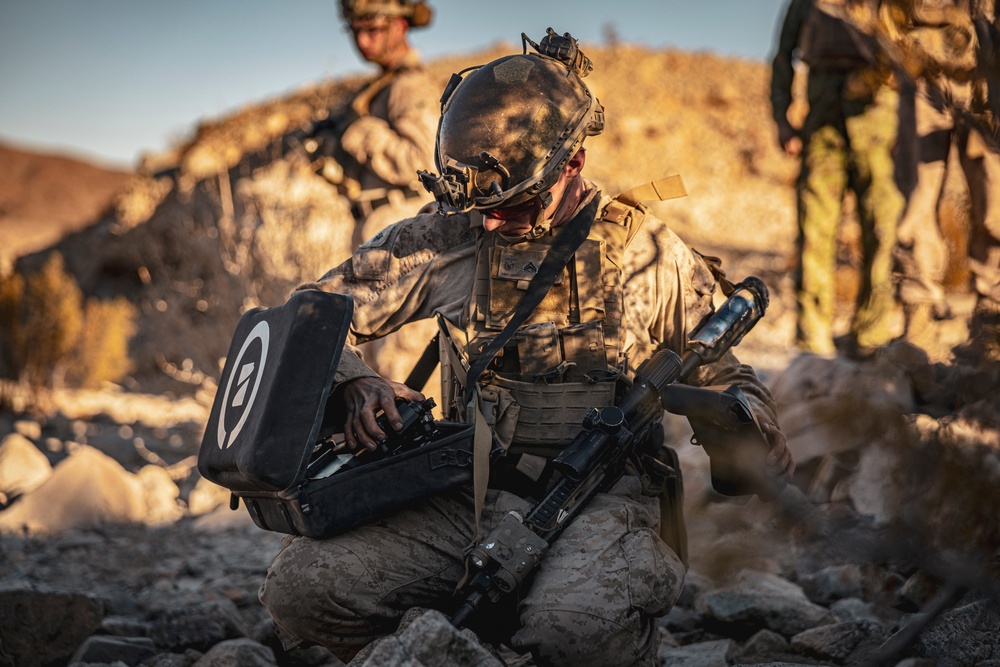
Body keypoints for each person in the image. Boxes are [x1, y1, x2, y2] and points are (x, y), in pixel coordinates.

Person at [260, 30, 795, 667]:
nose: (491, 221)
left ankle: (575, 624)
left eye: (512, 205)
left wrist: (750, 416)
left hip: (601, 500)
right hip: (465, 493)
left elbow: (722, 362)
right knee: (302, 590)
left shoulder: (645, 252)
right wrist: (354, 380)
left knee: (575, 635)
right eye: (482, 203)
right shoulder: (447, 235)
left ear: (573, 164)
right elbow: (309, 316)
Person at [312, 0, 441, 391]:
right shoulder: (380, 88)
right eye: (355, 30)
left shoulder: (410, 86)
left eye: (374, 29)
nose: (363, 40)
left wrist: (359, 131)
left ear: (400, 25)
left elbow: (423, 162)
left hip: (400, 231)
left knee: (395, 367)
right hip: (376, 226)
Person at [771, 0, 907, 358]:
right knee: (815, 230)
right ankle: (811, 341)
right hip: (822, 116)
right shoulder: (805, 4)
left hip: (878, 118)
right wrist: (782, 118)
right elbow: (783, 56)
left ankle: (871, 335)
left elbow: (909, 48)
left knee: (882, 229)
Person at [885, 0, 1000, 359]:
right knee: (916, 194)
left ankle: (991, 323)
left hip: (988, 62)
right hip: (922, 63)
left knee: (994, 198)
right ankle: (917, 318)